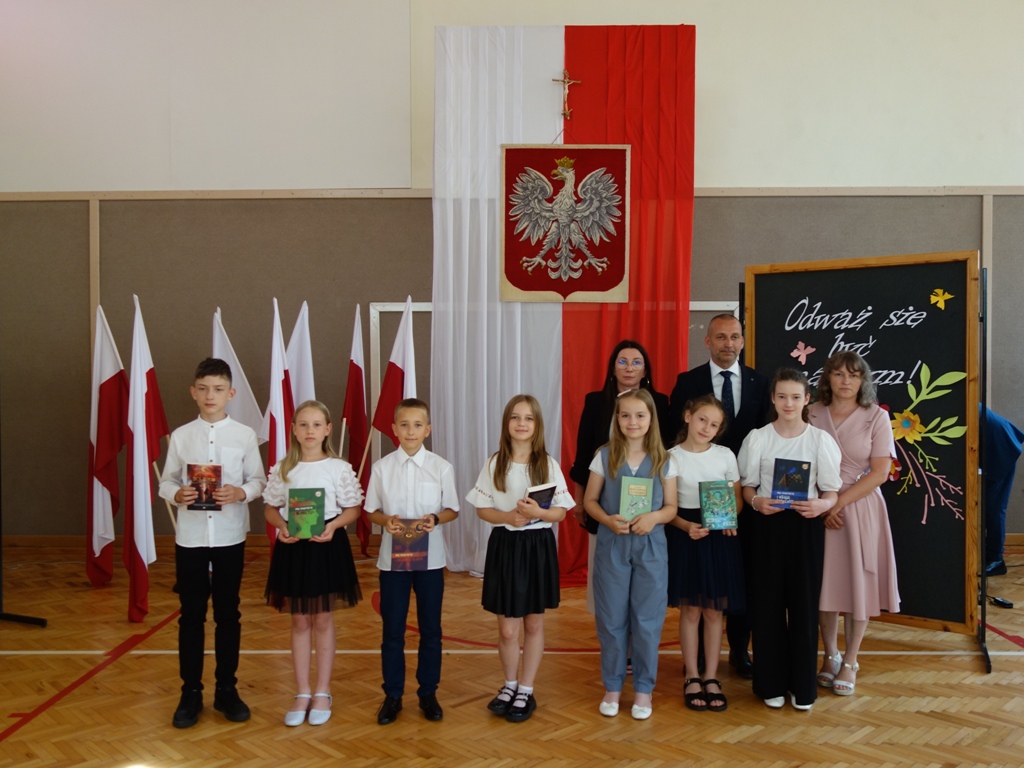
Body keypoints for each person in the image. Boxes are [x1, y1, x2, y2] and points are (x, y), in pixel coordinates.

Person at [159, 358, 266, 729]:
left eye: (218, 389)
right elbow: (166, 481)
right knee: (190, 615)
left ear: (230, 393)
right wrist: (177, 494)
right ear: (193, 391)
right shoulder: (181, 436)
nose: (210, 395)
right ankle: (190, 692)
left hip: (229, 537)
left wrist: (240, 492)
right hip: (190, 538)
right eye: (203, 388)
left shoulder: (245, 436)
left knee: (227, 613)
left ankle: (226, 689)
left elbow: (259, 481)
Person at [738, 369, 842, 711]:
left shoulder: (820, 440)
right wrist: (756, 501)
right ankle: (770, 683)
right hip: (767, 527)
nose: (788, 403)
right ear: (772, 398)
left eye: (796, 397)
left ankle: (802, 686)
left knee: (804, 606)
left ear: (807, 399)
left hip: (805, 528)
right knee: (766, 604)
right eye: (782, 396)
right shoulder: (758, 438)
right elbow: (747, 486)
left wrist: (822, 505)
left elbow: (831, 491)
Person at [467, 394, 573, 723]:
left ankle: (526, 689)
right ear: (507, 423)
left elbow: (560, 513)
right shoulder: (494, 463)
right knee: (507, 630)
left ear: (537, 425)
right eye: (515, 417)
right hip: (505, 546)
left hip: (537, 546)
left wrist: (538, 512)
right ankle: (509, 684)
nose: (522, 423)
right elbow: (482, 509)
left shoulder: (547, 464)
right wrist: (507, 518)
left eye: (528, 418)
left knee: (533, 623)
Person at [263, 400, 363, 727]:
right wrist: (281, 527)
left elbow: (352, 509)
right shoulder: (284, 468)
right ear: (293, 429)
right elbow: (270, 508)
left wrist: (333, 526)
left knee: (322, 618)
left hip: (326, 546)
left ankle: (323, 690)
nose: (310, 431)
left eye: (317, 424)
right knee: (299, 620)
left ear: (327, 429)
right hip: (294, 548)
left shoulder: (338, 468)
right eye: (303, 424)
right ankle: (302, 692)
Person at [810, 352, 900, 697]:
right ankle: (830, 655)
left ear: (863, 380)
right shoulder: (811, 412)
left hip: (859, 508)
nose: (845, 381)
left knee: (858, 585)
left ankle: (850, 660)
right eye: (838, 374)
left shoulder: (876, 416)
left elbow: (879, 473)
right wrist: (823, 503)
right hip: (818, 506)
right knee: (826, 586)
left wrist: (837, 503)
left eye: (853, 375)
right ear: (827, 378)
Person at [365, 398, 460, 725]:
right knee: (392, 629)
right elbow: (371, 511)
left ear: (427, 430)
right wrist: (385, 521)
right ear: (394, 429)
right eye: (404, 425)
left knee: (431, 629)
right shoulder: (382, 468)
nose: (410, 431)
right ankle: (393, 694)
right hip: (393, 563)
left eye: (417, 425)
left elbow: (452, 509)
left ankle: (428, 693)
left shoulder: (441, 467)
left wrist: (435, 518)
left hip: (430, 561)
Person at [584, 388, 678, 720]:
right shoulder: (604, 455)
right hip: (613, 543)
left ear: (651, 419)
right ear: (617, 419)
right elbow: (589, 501)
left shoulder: (665, 459)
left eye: (640, 415)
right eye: (625, 415)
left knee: (647, 620)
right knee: (611, 618)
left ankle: (643, 689)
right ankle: (612, 686)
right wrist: (607, 519)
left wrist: (654, 517)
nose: (632, 421)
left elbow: (671, 507)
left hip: (650, 546)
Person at [570, 340, 672, 613]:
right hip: (606, 507)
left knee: (645, 590)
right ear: (612, 368)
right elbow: (583, 453)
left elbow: (664, 452)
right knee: (607, 580)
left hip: (647, 514)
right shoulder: (596, 402)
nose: (629, 367)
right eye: (622, 361)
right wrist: (580, 500)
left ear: (645, 370)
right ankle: (609, 625)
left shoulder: (659, 402)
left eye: (636, 362)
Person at [666, 394, 744, 712]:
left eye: (714, 425)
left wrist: (728, 519)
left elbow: (737, 499)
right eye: (702, 420)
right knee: (691, 611)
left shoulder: (725, 455)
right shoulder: (670, 457)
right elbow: (666, 507)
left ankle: (712, 676)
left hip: (718, 537)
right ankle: (692, 676)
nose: (706, 428)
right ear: (688, 416)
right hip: (687, 535)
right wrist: (686, 526)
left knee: (714, 612)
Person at [982, 407, 1024, 576]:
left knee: (994, 508)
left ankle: (996, 559)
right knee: (990, 507)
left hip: (1003, 449)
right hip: (998, 444)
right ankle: (990, 554)